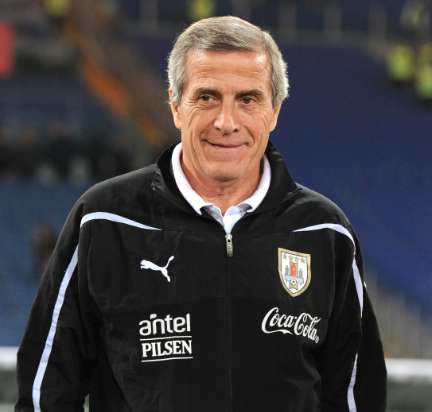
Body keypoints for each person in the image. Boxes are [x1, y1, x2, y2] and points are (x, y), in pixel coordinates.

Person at [16, 16, 386, 412]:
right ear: (176, 105)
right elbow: (45, 396)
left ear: (274, 111)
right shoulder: (104, 221)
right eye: (207, 97)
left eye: (248, 99)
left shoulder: (325, 233)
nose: (226, 122)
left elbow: (355, 398)